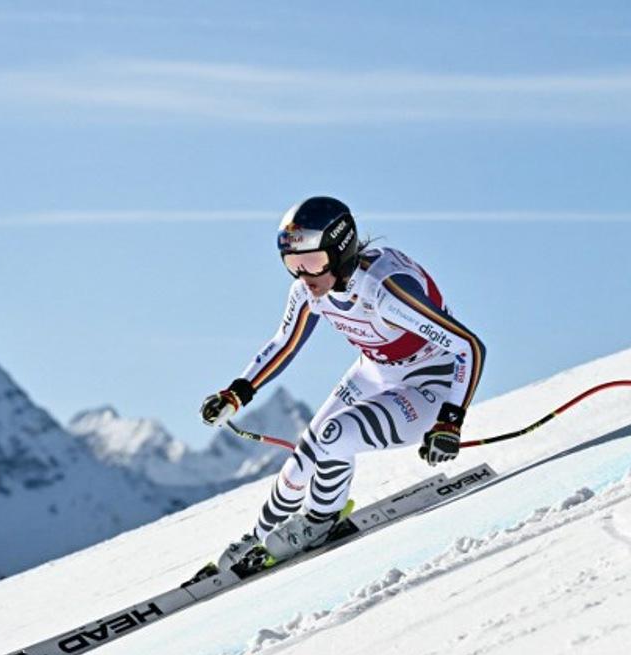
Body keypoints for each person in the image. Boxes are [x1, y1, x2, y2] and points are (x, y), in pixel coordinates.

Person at [199, 196, 486, 575]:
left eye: (314, 262)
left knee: (337, 436)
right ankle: (259, 538)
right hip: (374, 371)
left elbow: (468, 346)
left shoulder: (386, 291)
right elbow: (284, 344)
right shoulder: (308, 291)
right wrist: (236, 393)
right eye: (293, 265)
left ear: (341, 250)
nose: (305, 276)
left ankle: (319, 521)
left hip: (429, 382)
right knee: (304, 458)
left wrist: (450, 421)